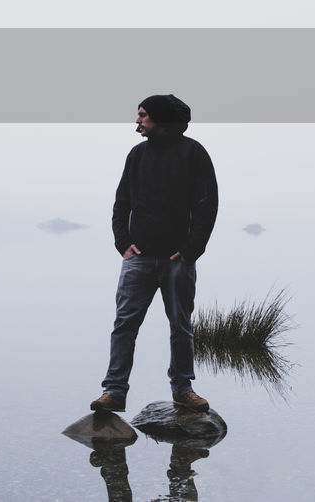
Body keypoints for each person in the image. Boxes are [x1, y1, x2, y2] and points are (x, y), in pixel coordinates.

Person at [90, 94, 218, 414]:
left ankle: (183, 389)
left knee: (180, 326)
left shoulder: (194, 153)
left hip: (178, 259)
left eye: (143, 115)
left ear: (160, 119)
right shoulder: (137, 155)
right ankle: (114, 391)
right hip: (140, 259)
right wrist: (123, 244)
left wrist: (191, 251)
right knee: (124, 324)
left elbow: (206, 206)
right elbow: (122, 203)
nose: (138, 121)